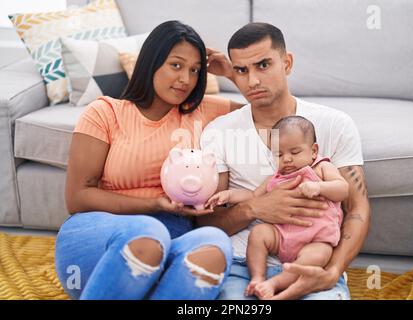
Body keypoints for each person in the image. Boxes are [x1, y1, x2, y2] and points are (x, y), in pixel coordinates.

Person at [55, 20, 242, 300]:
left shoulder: (202, 112)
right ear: (151, 61)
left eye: (194, 70)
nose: (185, 80)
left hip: (172, 243)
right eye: (176, 65)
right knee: (148, 230)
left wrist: (232, 73)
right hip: (101, 240)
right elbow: (78, 197)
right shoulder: (105, 113)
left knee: (214, 244)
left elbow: (277, 115)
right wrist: (152, 204)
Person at [200, 22, 370, 300]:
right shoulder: (219, 132)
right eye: (241, 70)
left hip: (314, 264)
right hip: (244, 266)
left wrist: (332, 270)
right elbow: (208, 226)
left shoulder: (334, 124)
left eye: (264, 65)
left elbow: (357, 208)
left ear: (287, 63)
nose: (252, 81)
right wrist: (254, 208)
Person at [205, 116, 349, 299]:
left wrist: (319, 187)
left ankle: (274, 284)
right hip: (281, 236)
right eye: (279, 155)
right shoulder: (276, 178)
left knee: (319, 255)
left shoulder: (321, 168)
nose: (287, 159)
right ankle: (258, 277)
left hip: (315, 239)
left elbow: (343, 189)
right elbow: (252, 196)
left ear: (314, 151)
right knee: (258, 234)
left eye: (295, 152)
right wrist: (229, 195)